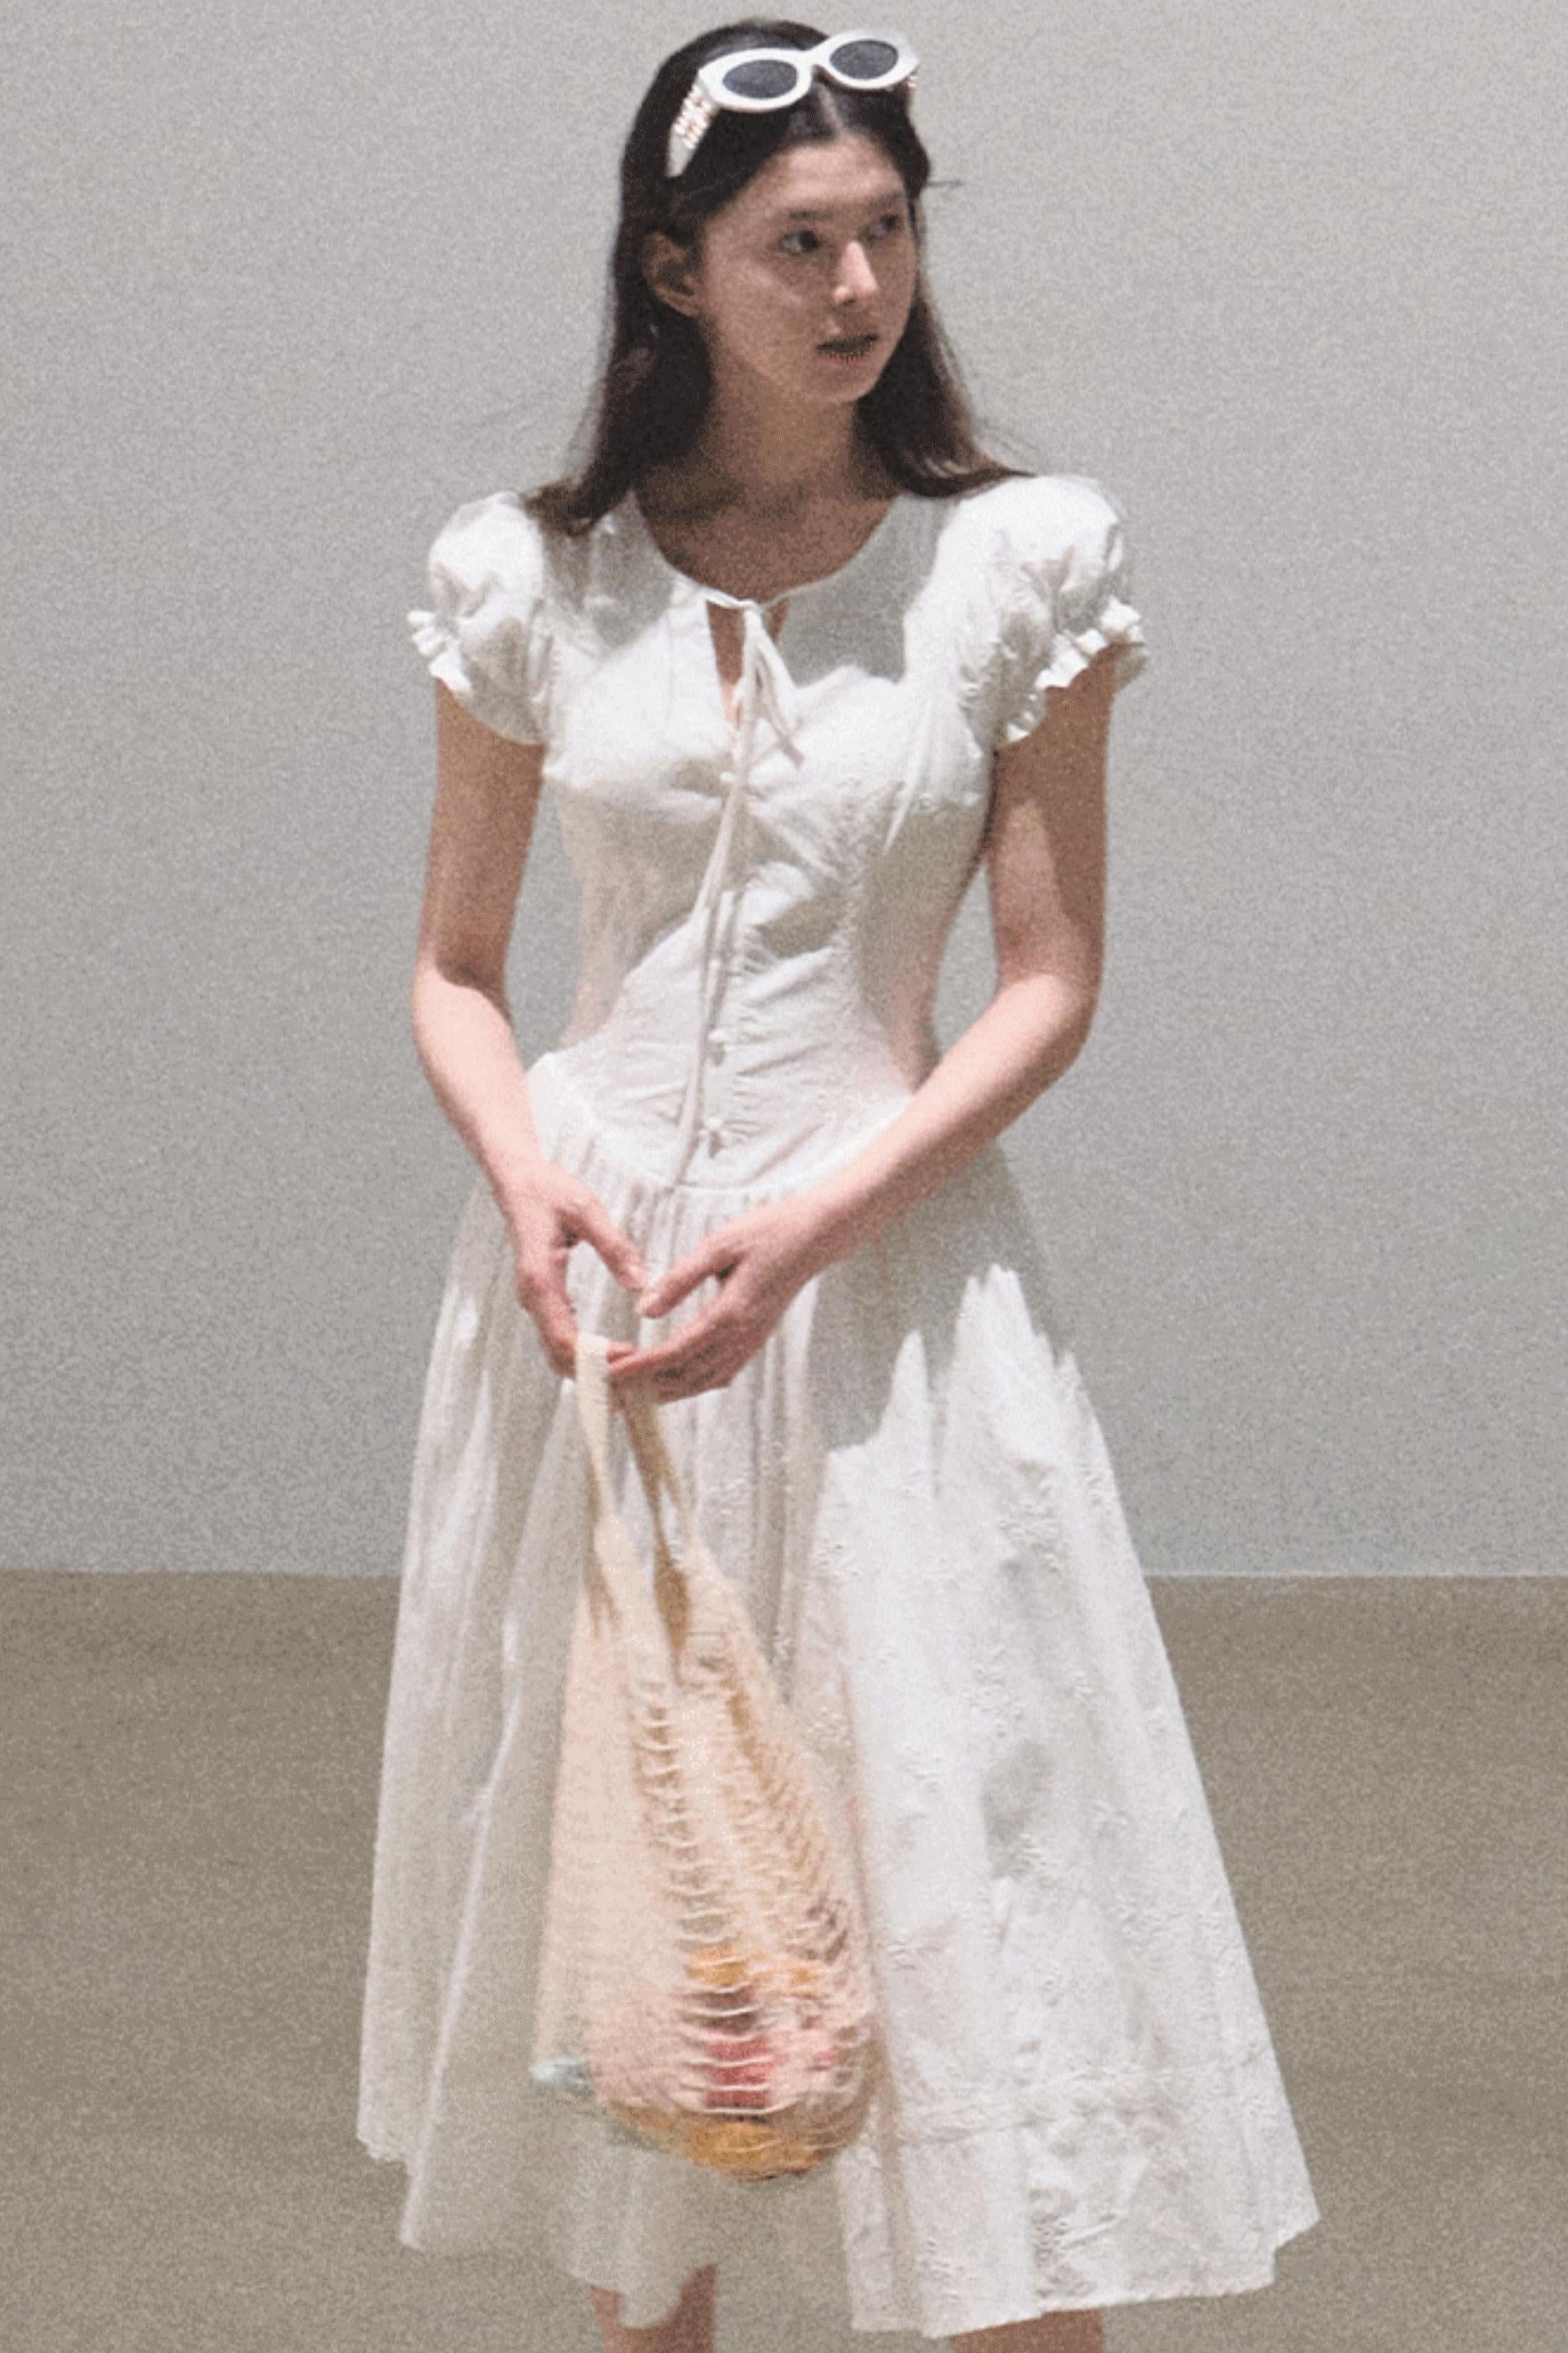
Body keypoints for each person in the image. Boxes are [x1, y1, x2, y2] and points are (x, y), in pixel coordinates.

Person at [357, 20, 1320, 2352]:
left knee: (976, 1916)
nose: (860, 282)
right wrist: (525, 1179)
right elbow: (457, 970)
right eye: (800, 242)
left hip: (880, 1303)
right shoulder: (531, 576)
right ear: (673, 269)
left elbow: (1049, 978)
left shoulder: (1014, 562)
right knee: (658, 1962)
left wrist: (811, 1227)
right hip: (602, 1326)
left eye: (887, 230)